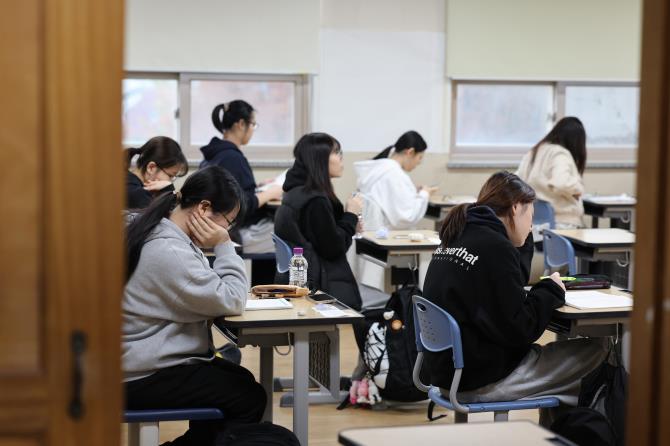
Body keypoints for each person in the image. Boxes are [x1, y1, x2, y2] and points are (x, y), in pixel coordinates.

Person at [422, 171, 607, 425]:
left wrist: (521, 244)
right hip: (482, 378)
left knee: (563, 373)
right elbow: (522, 329)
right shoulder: (495, 248)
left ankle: (557, 432)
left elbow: (507, 293)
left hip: (447, 373)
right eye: (531, 217)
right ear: (516, 207)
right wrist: (550, 289)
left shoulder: (459, 234)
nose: (531, 227)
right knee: (598, 351)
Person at [123, 166, 266, 445]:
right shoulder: (169, 250)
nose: (227, 230)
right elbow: (233, 299)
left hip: (132, 358)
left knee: (241, 380)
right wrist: (224, 244)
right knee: (248, 397)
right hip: (139, 373)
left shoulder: (154, 227)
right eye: (228, 222)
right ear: (203, 208)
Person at [273, 132, 363, 310]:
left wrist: (348, 222)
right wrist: (351, 215)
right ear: (319, 159)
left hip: (303, 280)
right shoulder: (315, 201)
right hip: (320, 288)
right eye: (336, 152)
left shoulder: (295, 191)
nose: (341, 158)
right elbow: (333, 249)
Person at [200, 100, 283, 253]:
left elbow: (231, 190)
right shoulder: (232, 157)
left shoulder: (214, 155)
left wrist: (258, 187)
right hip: (234, 232)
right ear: (241, 124)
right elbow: (242, 205)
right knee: (287, 229)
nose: (252, 130)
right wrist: (271, 192)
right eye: (253, 125)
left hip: (216, 226)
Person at [354, 130, 438, 231]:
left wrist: (412, 191)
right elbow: (405, 217)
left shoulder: (381, 169)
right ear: (410, 152)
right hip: (383, 235)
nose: (419, 162)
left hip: (370, 233)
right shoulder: (393, 174)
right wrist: (424, 193)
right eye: (420, 157)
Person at [516, 117, 587, 228]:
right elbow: (561, 183)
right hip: (562, 223)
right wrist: (578, 190)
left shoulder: (534, 151)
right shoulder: (560, 154)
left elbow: (516, 181)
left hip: (533, 224)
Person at [125, 136, 188, 209]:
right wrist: (168, 190)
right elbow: (165, 216)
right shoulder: (138, 194)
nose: (170, 181)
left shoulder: (129, 181)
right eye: (170, 176)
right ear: (151, 168)